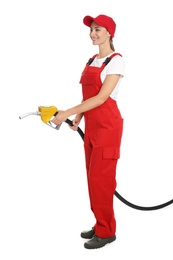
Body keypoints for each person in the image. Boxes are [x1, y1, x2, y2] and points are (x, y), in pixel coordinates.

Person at [52, 14, 125, 249]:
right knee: (92, 181)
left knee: (101, 181)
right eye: (92, 30)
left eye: (98, 30)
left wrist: (66, 112)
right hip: (92, 127)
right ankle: (100, 222)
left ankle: (107, 232)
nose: (93, 34)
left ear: (109, 33)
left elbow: (102, 97)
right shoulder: (92, 60)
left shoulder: (116, 61)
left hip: (107, 129)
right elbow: (89, 98)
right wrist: (78, 117)